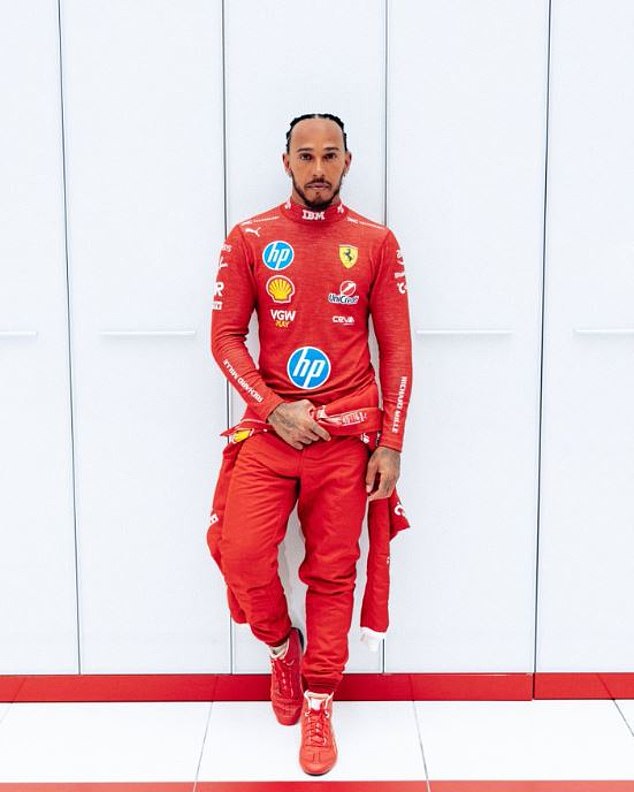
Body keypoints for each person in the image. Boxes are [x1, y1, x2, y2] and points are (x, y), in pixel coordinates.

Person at [208, 113, 412, 776]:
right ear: (286, 162)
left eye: (330, 156)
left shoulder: (375, 241)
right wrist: (273, 408)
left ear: (347, 163)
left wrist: (391, 442)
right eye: (306, 156)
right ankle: (280, 649)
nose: (318, 168)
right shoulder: (251, 237)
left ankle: (320, 698)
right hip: (272, 431)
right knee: (240, 552)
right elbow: (225, 337)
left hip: (348, 438)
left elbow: (398, 350)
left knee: (333, 571)